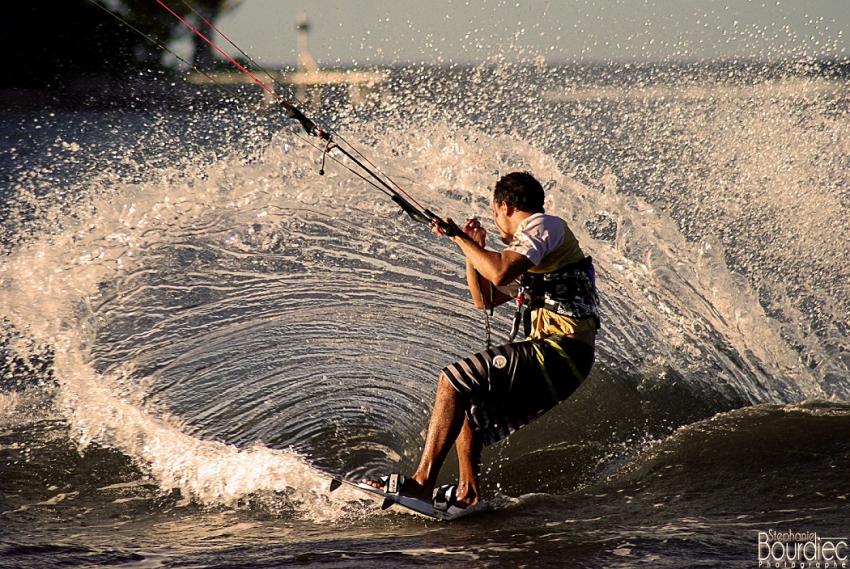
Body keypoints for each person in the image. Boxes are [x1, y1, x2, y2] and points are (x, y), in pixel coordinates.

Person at [363, 171, 599, 510]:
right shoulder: (536, 257)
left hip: (561, 352)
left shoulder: (542, 225)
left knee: (452, 380)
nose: (497, 222)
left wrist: (461, 238)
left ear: (505, 207)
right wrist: (474, 249)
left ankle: (421, 484)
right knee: (470, 409)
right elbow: (485, 299)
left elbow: (499, 271)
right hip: (561, 360)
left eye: (495, 213)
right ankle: (468, 494)